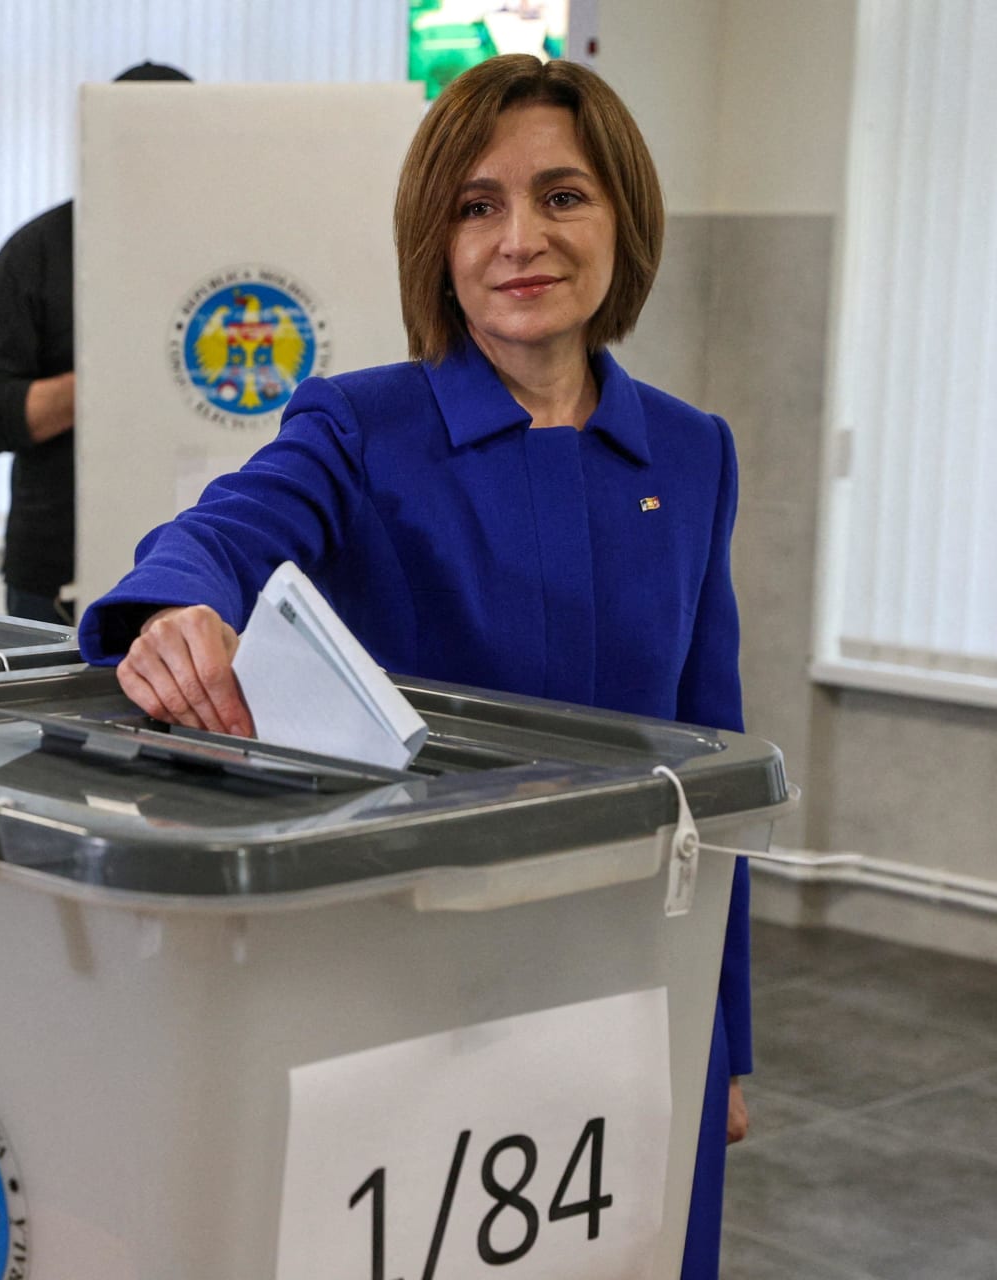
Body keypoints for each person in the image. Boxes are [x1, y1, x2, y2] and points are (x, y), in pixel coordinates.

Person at [77, 55, 751, 1280]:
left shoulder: (694, 455)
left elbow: (716, 762)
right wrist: (177, 604)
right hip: (418, 983)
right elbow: (225, 530)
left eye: (563, 196)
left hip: (631, 977)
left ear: (624, 220)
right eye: (477, 205)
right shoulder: (358, 422)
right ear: (434, 239)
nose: (520, 239)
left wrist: (727, 1024)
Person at [0, 61, 193, 626]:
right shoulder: (41, 250)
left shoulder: (229, 248)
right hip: (57, 572)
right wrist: (106, 382)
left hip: (196, 558)